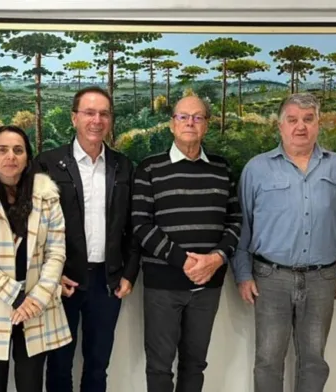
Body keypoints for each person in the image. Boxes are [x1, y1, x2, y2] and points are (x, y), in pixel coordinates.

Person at [232, 92, 336, 392]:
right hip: (269, 278)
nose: (300, 127)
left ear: (319, 124)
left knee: (314, 360)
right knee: (268, 360)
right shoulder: (257, 169)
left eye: (308, 119)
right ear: (280, 126)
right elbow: (242, 226)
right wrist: (242, 274)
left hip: (322, 278)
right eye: (292, 120)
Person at [131, 95, 242, 392]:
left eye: (197, 117)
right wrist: (186, 262)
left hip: (208, 285)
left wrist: (215, 259)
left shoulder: (223, 169)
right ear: (171, 124)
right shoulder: (149, 168)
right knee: (159, 365)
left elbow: (235, 221)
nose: (190, 123)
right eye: (183, 117)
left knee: (195, 364)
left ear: (206, 125)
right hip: (162, 286)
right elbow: (141, 225)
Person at [35, 86, 140, 392]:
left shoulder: (123, 166)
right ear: (74, 118)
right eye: (89, 112)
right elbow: (34, 228)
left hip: (107, 283)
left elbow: (135, 226)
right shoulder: (48, 164)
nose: (97, 120)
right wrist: (49, 277)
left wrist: (129, 273)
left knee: (97, 365)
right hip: (62, 281)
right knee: (58, 364)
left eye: (104, 113)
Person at [0, 125, 72, 392]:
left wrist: (36, 298)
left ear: (27, 158)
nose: (11, 156)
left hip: (36, 307)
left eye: (18, 150)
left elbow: (56, 252)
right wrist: (15, 295)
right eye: (3, 150)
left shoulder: (46, 196)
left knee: (31, 385)